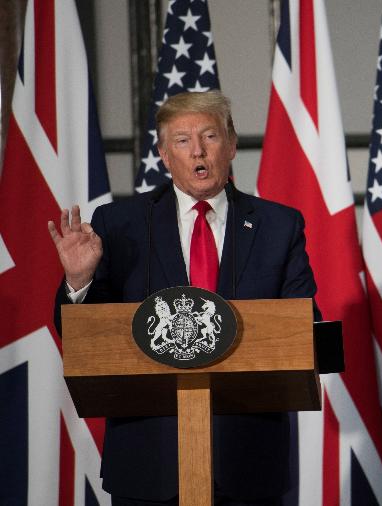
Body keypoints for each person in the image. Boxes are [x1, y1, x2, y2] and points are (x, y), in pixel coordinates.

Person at [49, 91, 317, 505]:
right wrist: (78, 280)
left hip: (247, 458)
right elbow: (81, 337)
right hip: (148, 459)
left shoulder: (278, 226)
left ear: (231, 144)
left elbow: (306, 329)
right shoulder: (119, 225)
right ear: (163, 154)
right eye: (182, 140)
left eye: (209, 136)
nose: (198, 151)